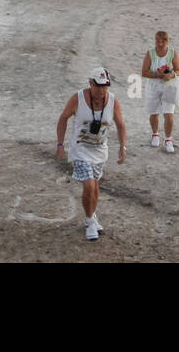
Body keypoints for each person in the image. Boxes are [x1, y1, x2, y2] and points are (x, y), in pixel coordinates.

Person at [55, 68, 127, 241]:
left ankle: (92, 216)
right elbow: (63, 118)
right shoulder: (77, 98)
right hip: (80, 149)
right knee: (88, 185)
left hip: (100, 151)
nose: (102, 91)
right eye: (98, 86)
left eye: (105, 87)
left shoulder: (112, 101)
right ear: (90, 83)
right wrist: (60, 144)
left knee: (95, 187)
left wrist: (123, 147)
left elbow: (120, 125)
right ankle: (89, 222)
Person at [141, 32, 179, 153]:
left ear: (167, 41)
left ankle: (168, 139)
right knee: (154, 112)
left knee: (169, 113)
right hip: (153, 86)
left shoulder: (172, 53)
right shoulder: (150, 53)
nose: (160, 43)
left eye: (162, 41)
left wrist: (171, 74)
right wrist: (157, 75)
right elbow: (144, 72)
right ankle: (155, 134)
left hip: (169, 87)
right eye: (157, 40)